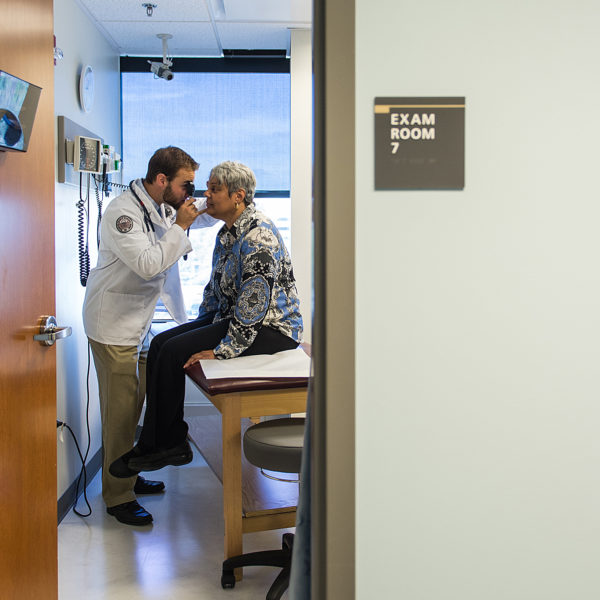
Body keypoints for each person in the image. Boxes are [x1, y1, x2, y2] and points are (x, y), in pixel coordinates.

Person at [110, 161, 303, 476]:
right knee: (162, 342)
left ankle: (163, 444)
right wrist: (199, 329)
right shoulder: (228, 232)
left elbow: (255, 305)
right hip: (236, 317)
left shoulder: (258, 236)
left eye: (214, 189)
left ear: (238, 196)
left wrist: (220, 349)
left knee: (173, 351)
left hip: (272, 328)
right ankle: (162, 440)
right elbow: (215, 290)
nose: (205, 196)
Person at [82, 146, 218, 526]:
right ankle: (117, 497)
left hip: (137, 324)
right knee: (121, 415)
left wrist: (219, 199)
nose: (190, 193)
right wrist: (181, 228)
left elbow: (196, 217)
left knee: (138, 404)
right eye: (185, 184)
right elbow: (146, 264)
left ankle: (130, 472)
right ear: (162, 181)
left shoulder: (161, 206)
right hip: (113, 327)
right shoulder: (122, 212)